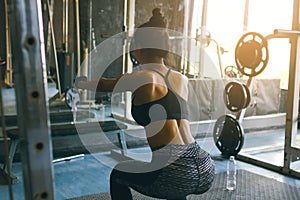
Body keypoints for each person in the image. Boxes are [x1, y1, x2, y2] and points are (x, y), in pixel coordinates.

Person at [75, 8, 215, 200]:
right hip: (204, 165)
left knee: (119, 174)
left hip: (177, 170)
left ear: (139, 47)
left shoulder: (144, 77)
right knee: (176, 179)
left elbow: (104, 84)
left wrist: (80, 82)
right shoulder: (181, 79)